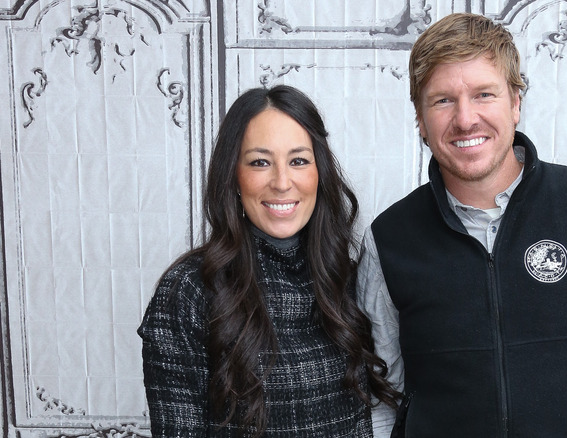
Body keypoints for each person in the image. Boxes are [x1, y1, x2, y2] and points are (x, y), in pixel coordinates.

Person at [357, 13, 567, 438]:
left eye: (484, 94)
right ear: (420, 119)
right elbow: (382, 394)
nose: (466, 119)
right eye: (443, 100)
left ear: (516, 102)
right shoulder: (389, 239)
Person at [139, 85, 399, 437]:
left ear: (319, 173)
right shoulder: (189, 289)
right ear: (233, 175)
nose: (281, 182)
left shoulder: (348, 279)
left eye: (298, 161)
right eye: (260, 162)